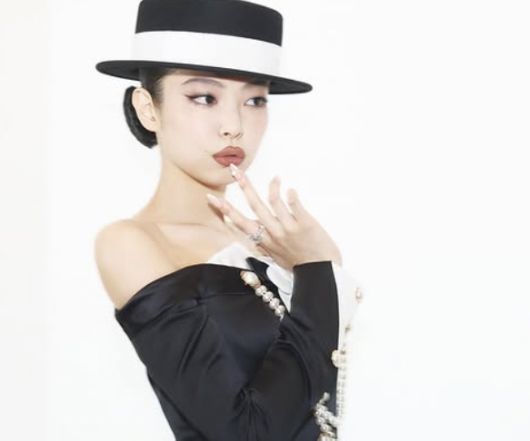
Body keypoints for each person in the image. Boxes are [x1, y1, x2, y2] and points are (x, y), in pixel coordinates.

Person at [94, 0, 363, 439]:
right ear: (147, 108)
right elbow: (243, 432)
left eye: (255, 100)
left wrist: (317, 263)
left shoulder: (271, 245)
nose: (233, 125)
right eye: (204, 98)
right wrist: (316, 272)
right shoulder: (131, 243)